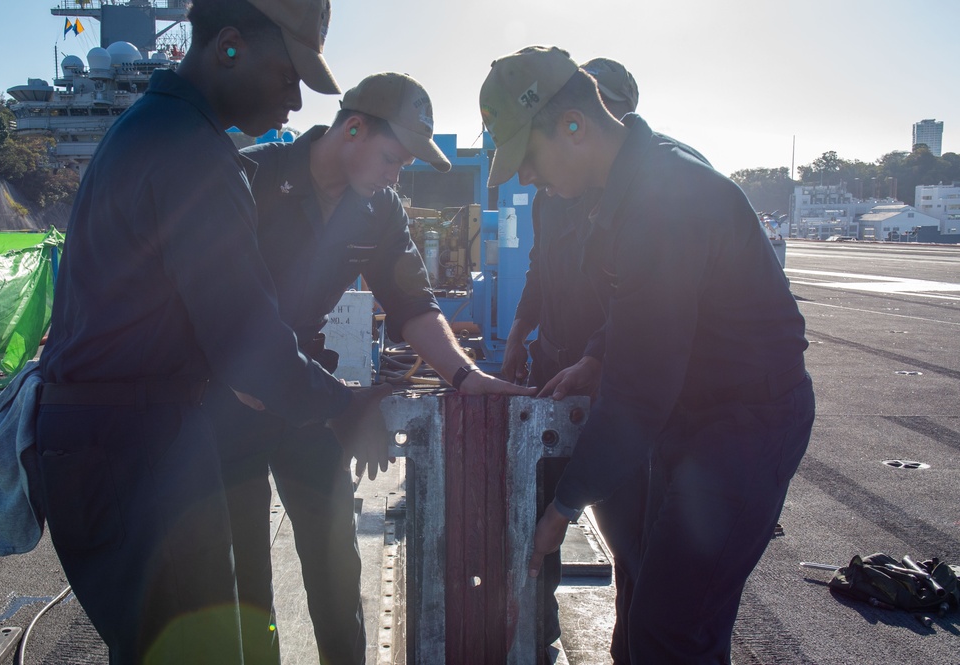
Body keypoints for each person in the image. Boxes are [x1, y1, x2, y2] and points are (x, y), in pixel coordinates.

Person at [33, 1, 393, 663]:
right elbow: (252, 353)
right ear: (229, 47)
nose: (293, 103)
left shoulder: (148, 130)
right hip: (134, 449)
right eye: (288, 77)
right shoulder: (193, 154)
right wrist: (345, 401)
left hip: (107, 441)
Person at [480, 46, 815, 664]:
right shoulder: (631, 184)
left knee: (671, 629)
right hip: (696, 416)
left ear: (573, 127)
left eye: (527, 156)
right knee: (646, 616)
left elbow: (639, 394)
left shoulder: (665, 200)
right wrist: (599, 355)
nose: (526, 178)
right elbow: (636, 306)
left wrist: (563, 506)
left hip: (745, 424)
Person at [208, 72, 537, 665]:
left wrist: (467, 377)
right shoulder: (251, 176)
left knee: (336, 557)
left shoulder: (379, 209)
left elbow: (412, 304)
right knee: (242, 569)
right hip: (228, 398)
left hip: (303, 389)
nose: (396, 174)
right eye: (392, 157)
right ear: (351, 128)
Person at [499, 55, 640, 658]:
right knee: (538, 523)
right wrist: (516, 338)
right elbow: (538, 270)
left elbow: (640, 305)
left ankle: (632, 646)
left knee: (632, 534)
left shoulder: (641, 200)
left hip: (614, 382)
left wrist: (601, 359)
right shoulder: (552, 196)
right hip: (554, 371)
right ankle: (539, 640)